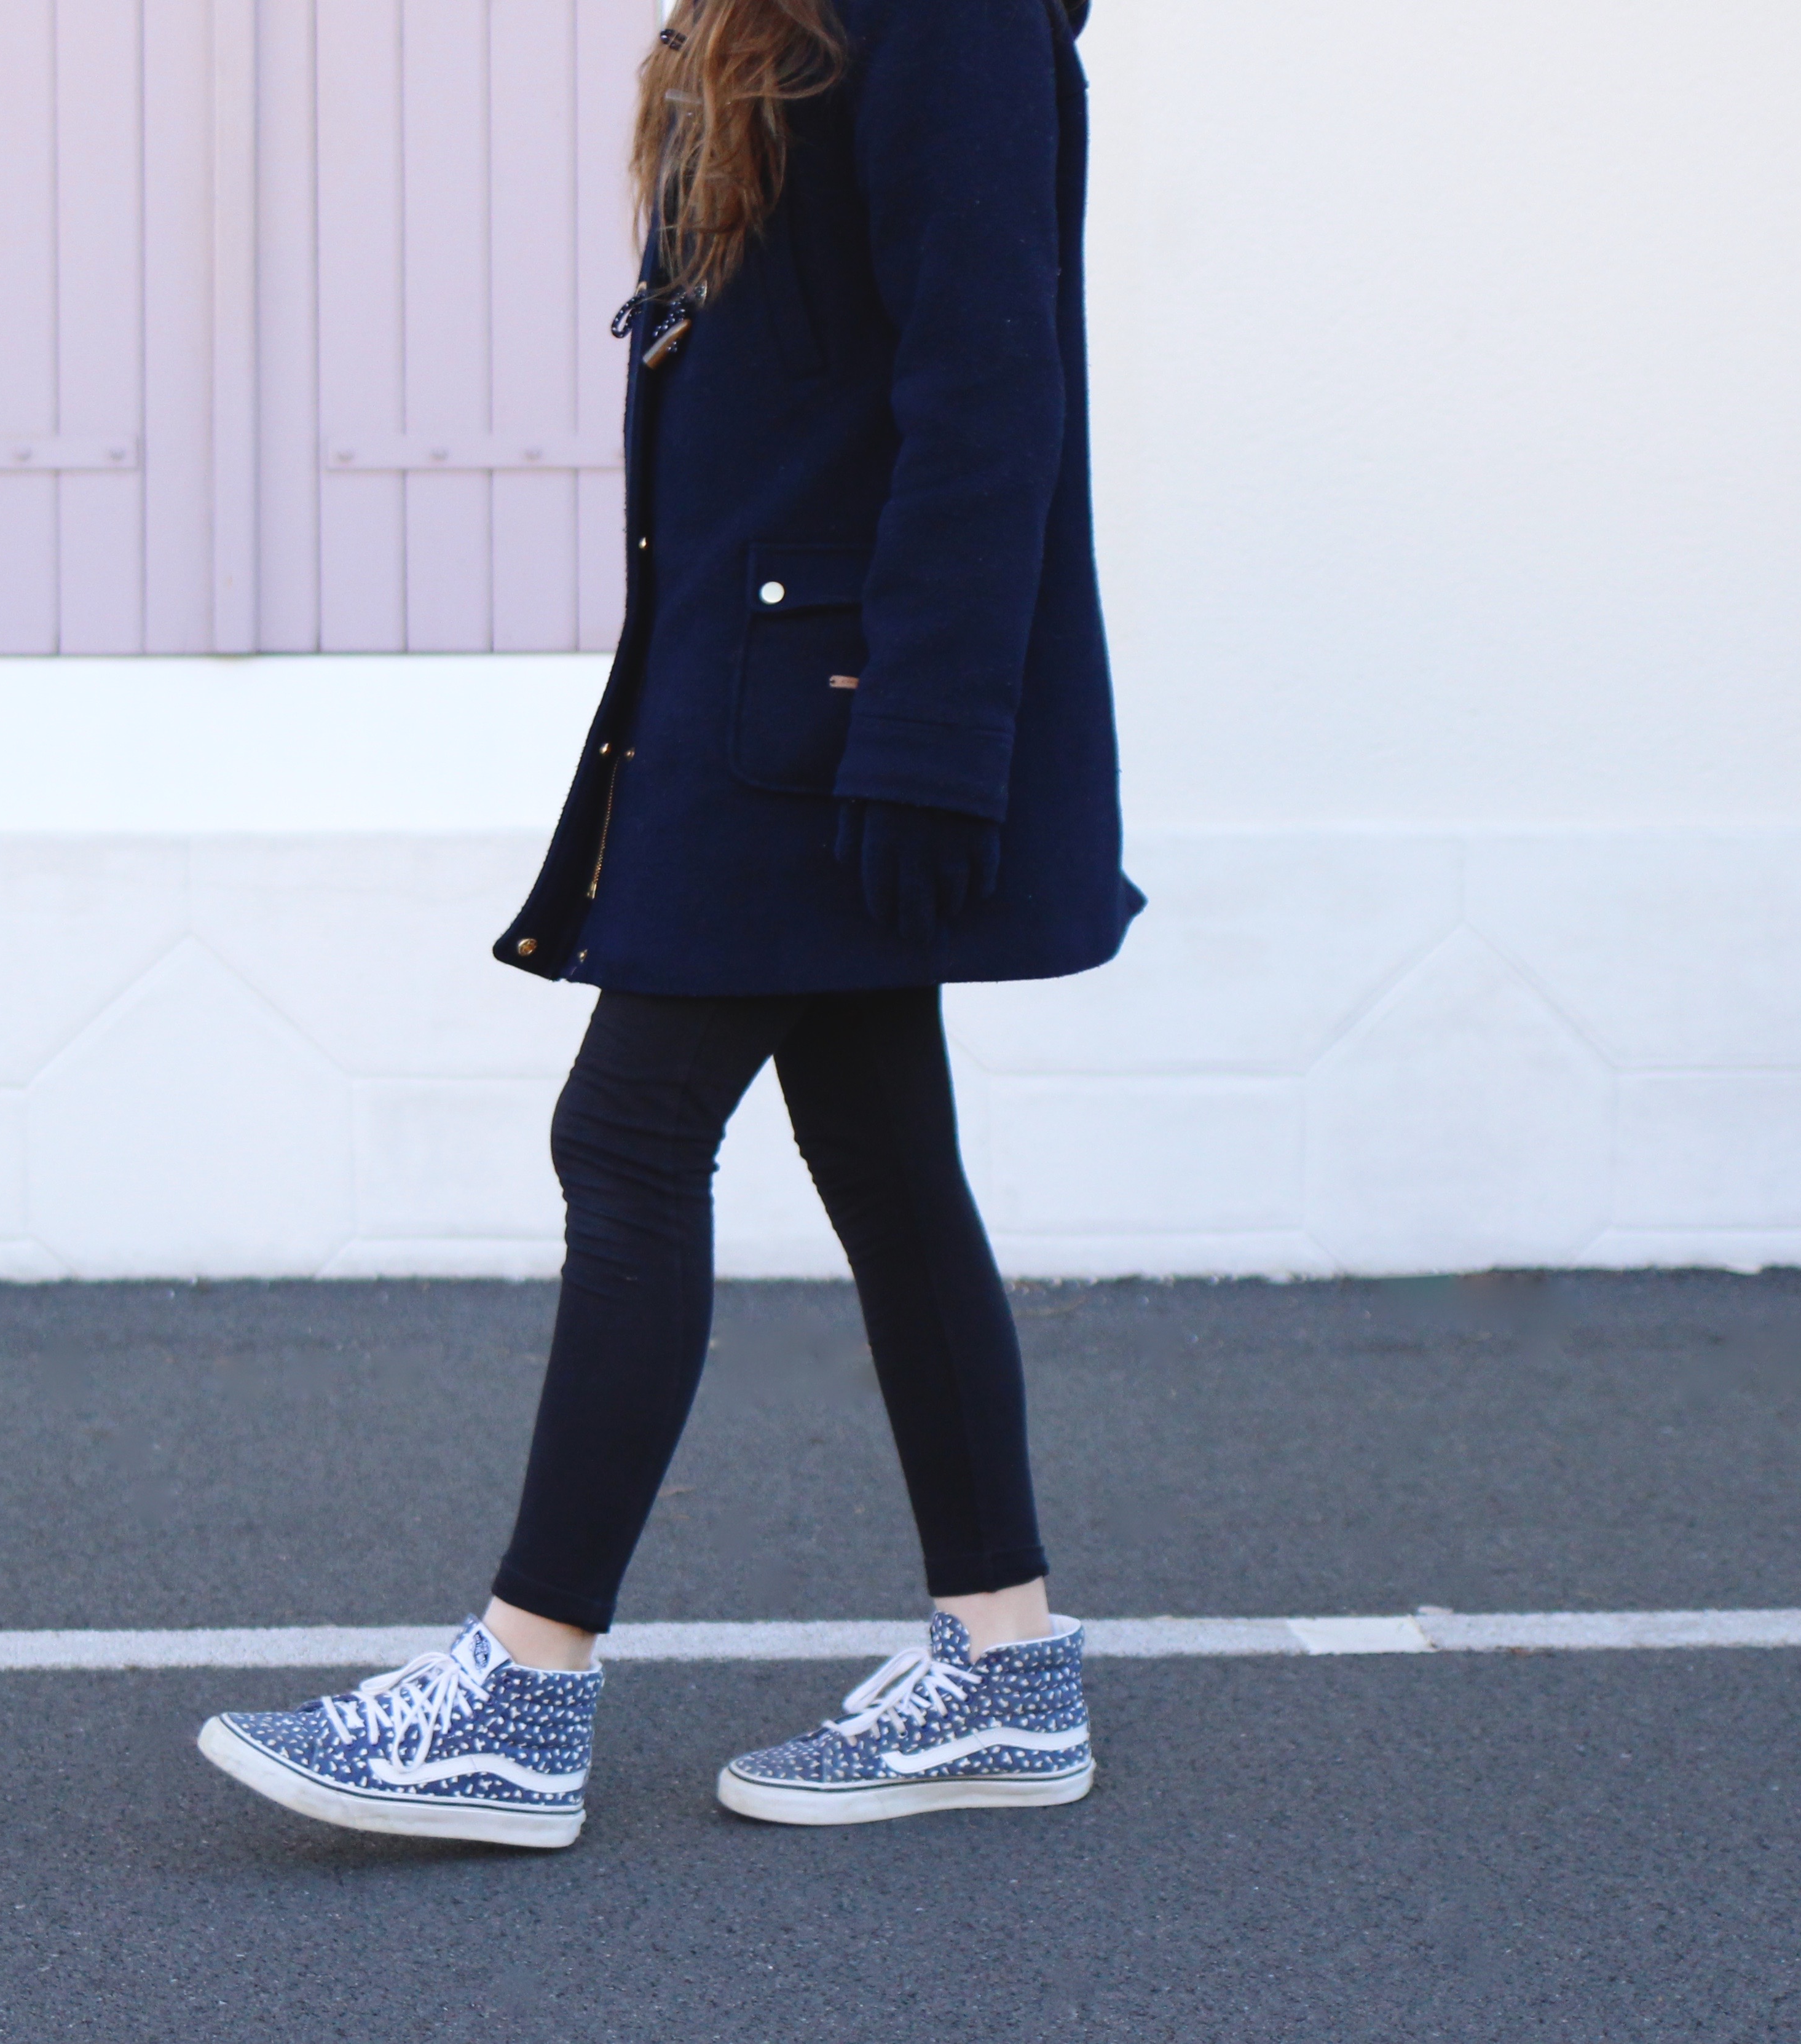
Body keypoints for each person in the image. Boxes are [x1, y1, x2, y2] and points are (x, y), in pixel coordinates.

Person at [198, 0, 1137, 1847]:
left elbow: (989, 378)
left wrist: (935, 743)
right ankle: (1007, 1664)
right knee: (884, 1157)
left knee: (628, 1134)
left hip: (836, 712)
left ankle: (519, 1695)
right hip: (770, 682)